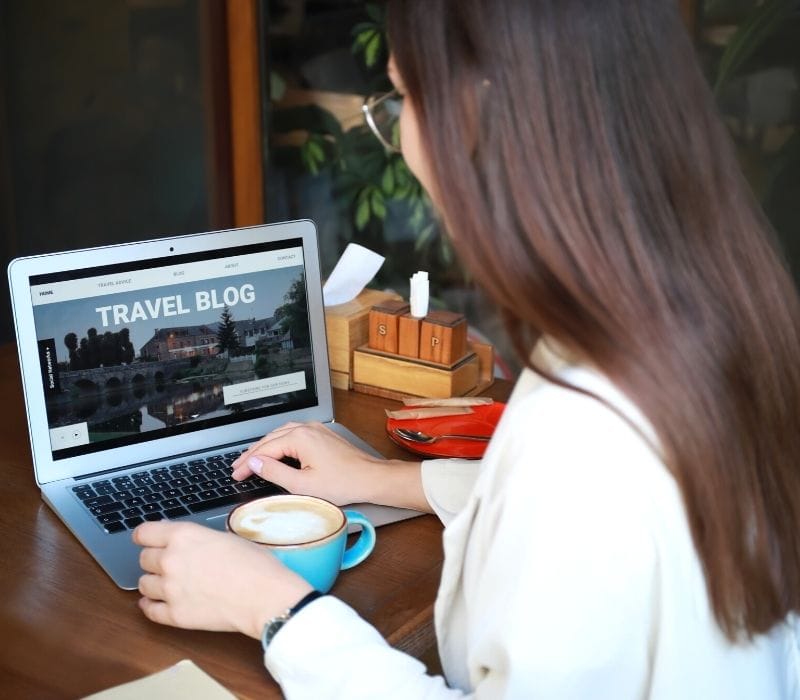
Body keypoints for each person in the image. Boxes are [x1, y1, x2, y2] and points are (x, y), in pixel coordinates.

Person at [134, 1, 800, 697]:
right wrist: (382, 482)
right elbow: (559, 516)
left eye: (404, 94)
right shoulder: (706, 312)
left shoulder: (586, 441)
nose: (403, 138)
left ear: (480, 114)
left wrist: (273, 610)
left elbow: (572, 497)